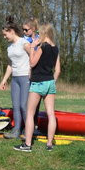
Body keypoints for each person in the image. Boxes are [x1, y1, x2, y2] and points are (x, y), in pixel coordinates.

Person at [16, 22, 60, 152]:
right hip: (50, 82)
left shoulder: (42, 47)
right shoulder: (55, 48)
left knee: (30, 113)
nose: (38, 36)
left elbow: (32, 63)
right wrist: (52, 81)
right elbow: (58, 70)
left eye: (39, 33)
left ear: (44, 33)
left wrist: (32, 48)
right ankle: (49, 144)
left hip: (38, 83)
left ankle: (27, 144)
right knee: (51, 114)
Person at [0, 17, 31, 140]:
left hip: (25, 77)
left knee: (23, 106)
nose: (4, 37)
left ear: (11, 31)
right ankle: (16, 130)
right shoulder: (10, 47)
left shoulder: (24, 43)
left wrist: (32, 71)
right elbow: (10, 64)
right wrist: (4, 80)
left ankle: (28, 131)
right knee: (16, 106)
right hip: (15, 79)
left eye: (5, 34)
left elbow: (33, 56)